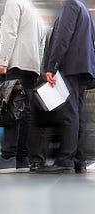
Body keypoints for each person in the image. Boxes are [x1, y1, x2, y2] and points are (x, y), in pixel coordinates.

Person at [0, 0, 46, 173]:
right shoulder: (34, 9)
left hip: (16, 64)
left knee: (11, 111)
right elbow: (43, 40)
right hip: (31, 67)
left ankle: (7, 157)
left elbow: (9, 32)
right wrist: (39, 68)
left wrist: (2, 61)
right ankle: (22, 158)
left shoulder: (14, 2)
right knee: (25, 113)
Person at [36, 0, 95, 174]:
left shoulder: (70, 5)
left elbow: (63, 36)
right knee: (79, 114)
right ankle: (79, 160)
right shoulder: (83, 7)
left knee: (70, 114)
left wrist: (51, 66)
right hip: (83, 68)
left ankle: (65, 160)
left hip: (71, 67)